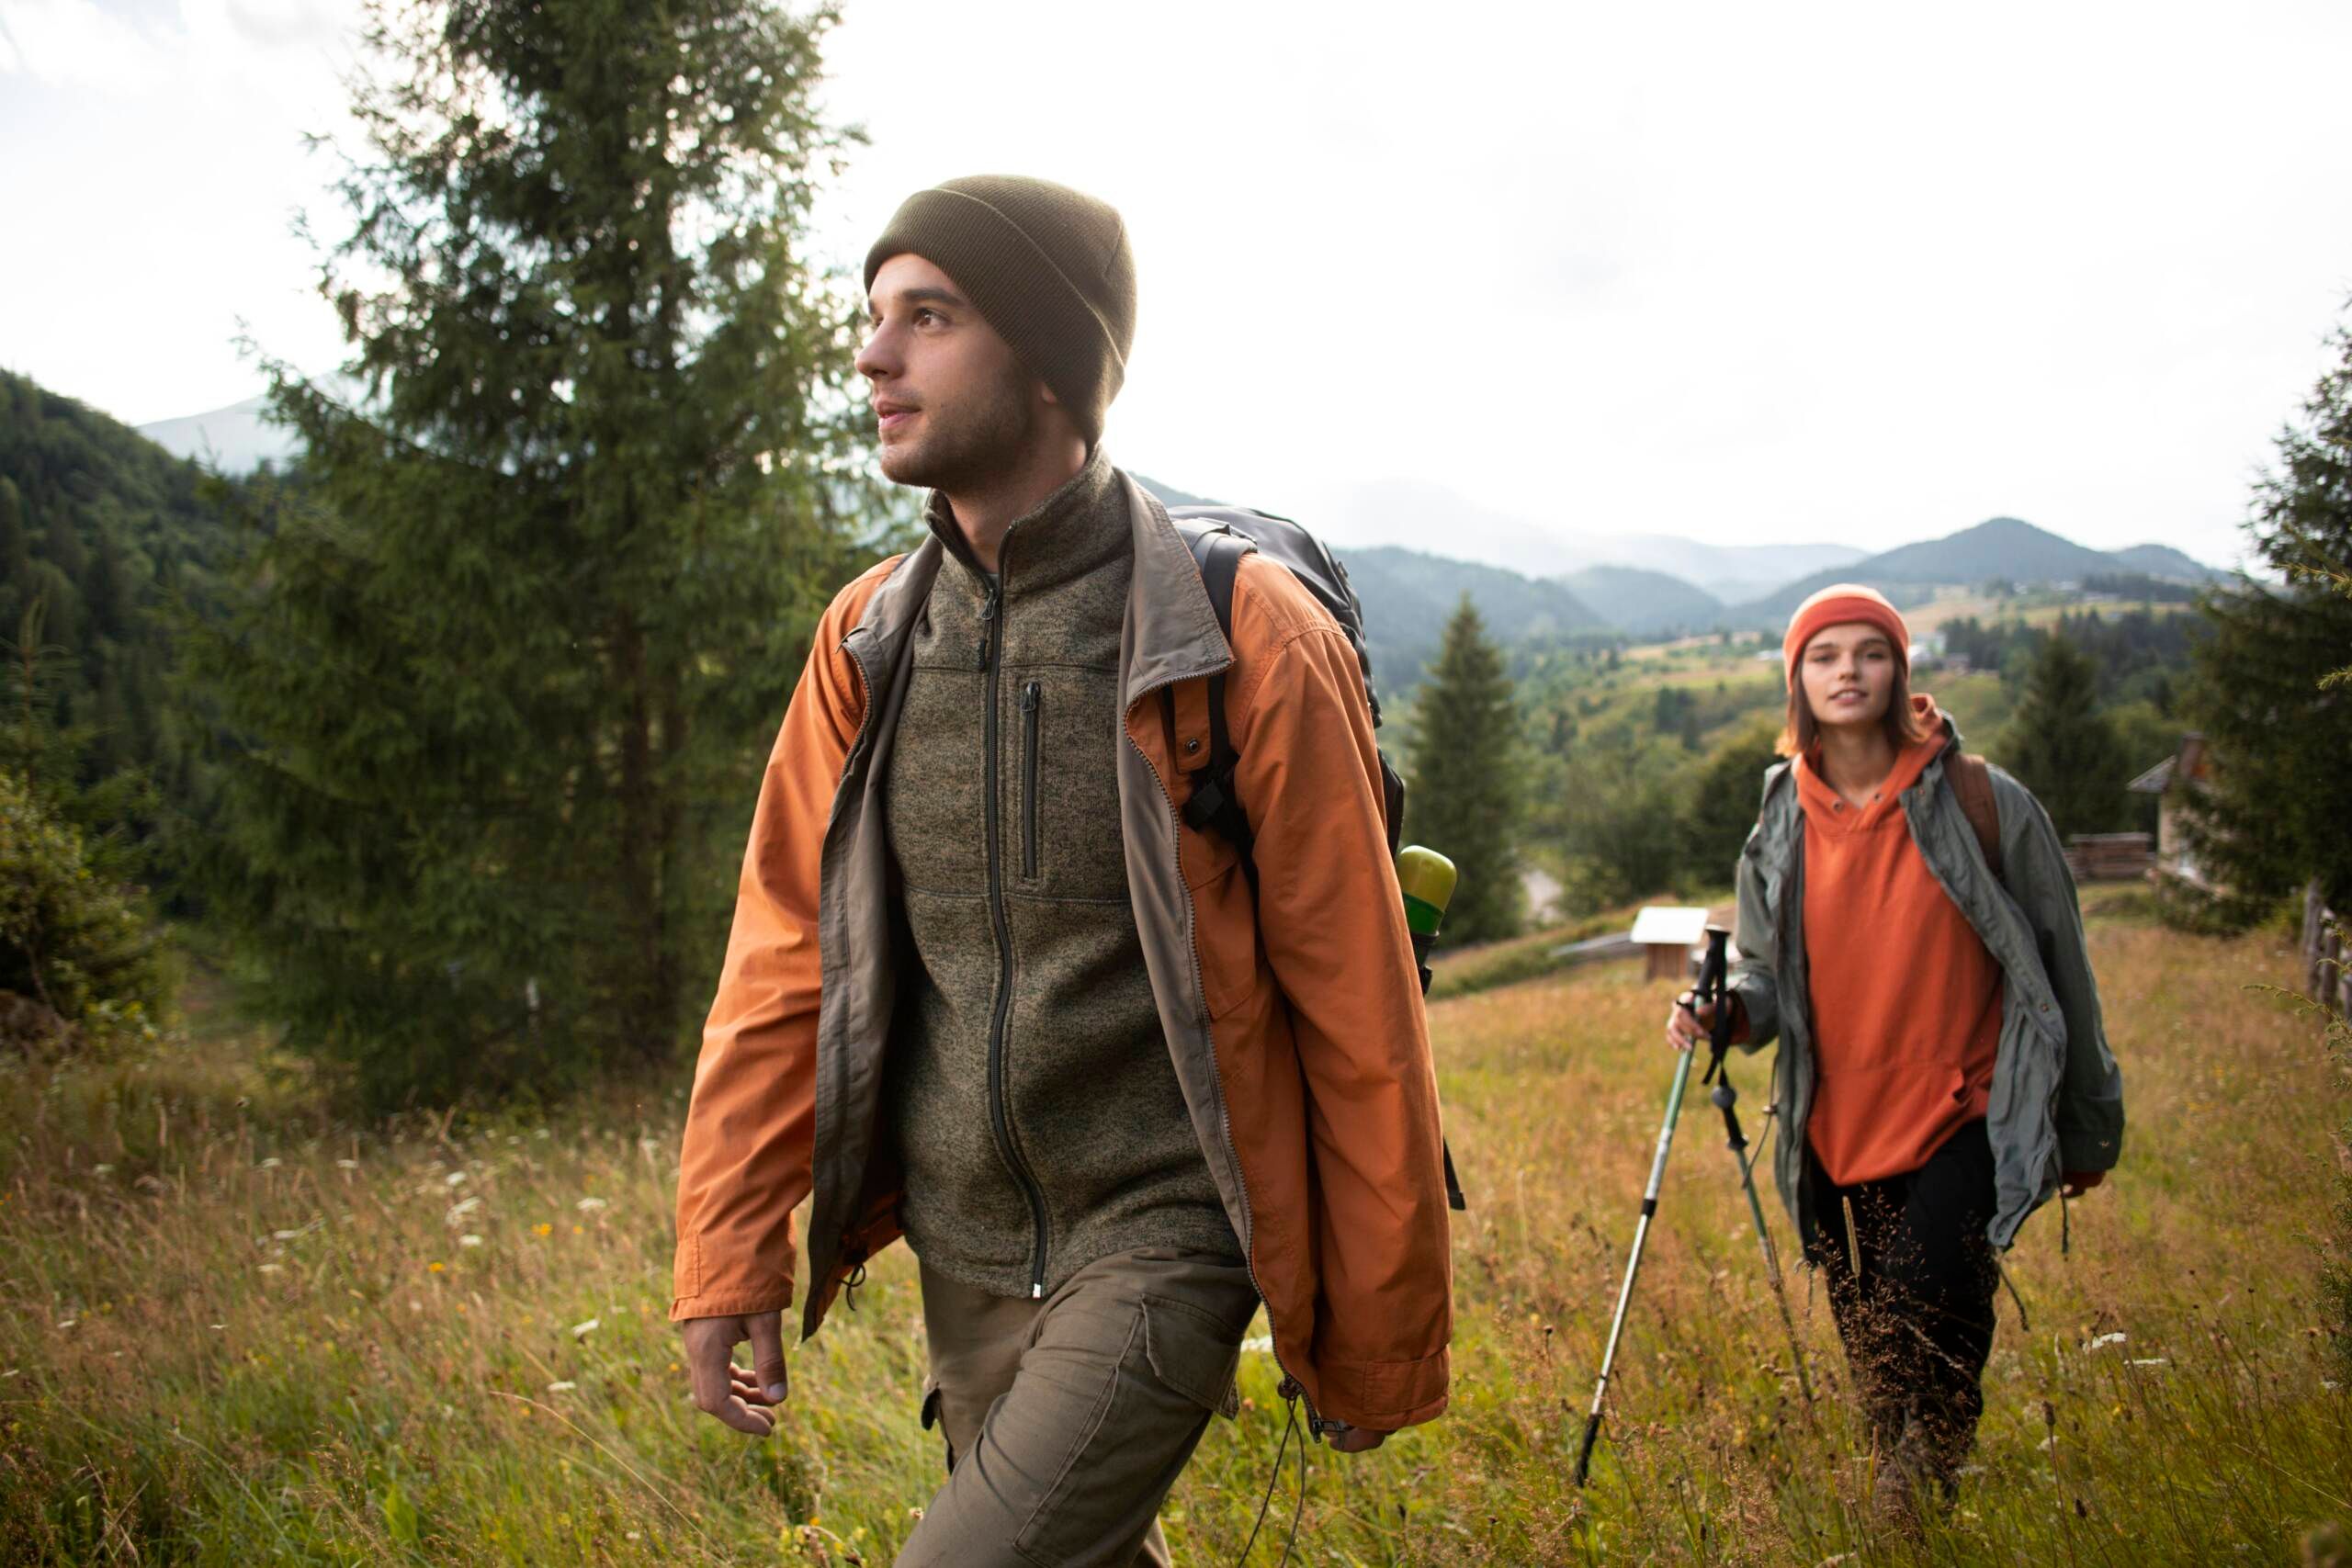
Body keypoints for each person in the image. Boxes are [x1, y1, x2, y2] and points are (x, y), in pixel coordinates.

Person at [668, 175, 1454, 1565]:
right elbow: (785, 950)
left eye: (929, 316)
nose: (873, 354)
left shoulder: (1240, 631)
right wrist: (730, 1245)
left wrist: (1375, 1326)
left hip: (1164, 1228)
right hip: (965, 1245)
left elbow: (1357, 991)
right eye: (873, 317)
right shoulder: (866, 639)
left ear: (1045, 362)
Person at [1664, 583, 2123, 1526]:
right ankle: (1905, 1471)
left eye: (1867, 652)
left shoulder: (1984, 803)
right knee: (1874, 1347)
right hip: (1835, 1125)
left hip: (1965, 1107)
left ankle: (1912, 1503)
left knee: (1934, 1308)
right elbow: (1761, 973)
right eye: (1823, 656)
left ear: (1898, 668)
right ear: (1797, 678)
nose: (1847, 672)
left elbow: (2061, 970)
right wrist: (1724, 1018)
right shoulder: (1780, 819)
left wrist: (2083, 1128)